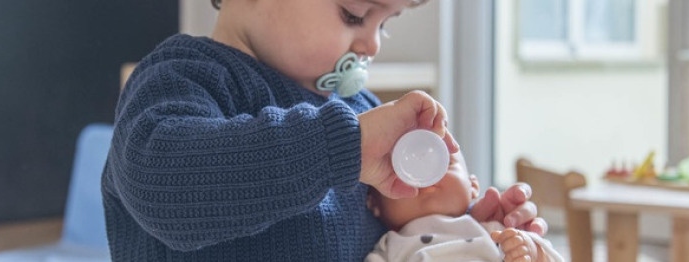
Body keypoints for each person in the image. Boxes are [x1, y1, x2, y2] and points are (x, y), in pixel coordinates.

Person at [102, 0, 548, 260]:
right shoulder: (182, 77)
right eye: (354, 14)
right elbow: (164, 186)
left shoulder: (360, 111)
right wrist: (344, 147)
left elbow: (392, 230)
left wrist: (464, 231)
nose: (372, 44)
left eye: (385, 23)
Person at [366, 153, 562, 262]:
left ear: (472, 186)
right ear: (373, 202)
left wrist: (531, 251)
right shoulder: (388, 248)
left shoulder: (493, 231)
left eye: (442, 161)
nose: (426, 175)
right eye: (402, 168)